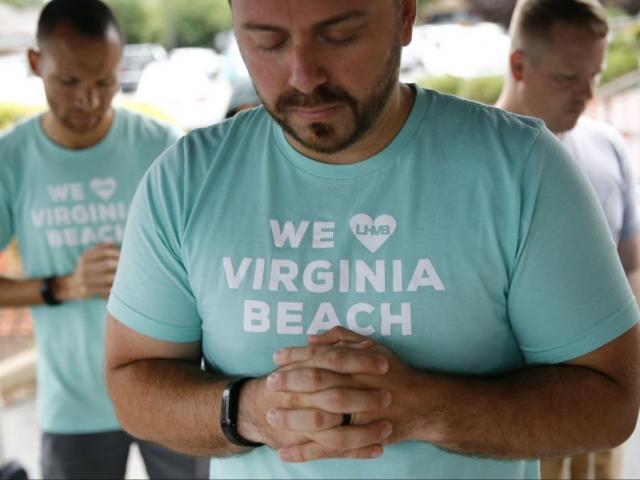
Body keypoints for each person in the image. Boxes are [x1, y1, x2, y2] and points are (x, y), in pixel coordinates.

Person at [104, 1, 640, 479]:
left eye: (339, 35)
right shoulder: (187, 179)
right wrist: (252, 410)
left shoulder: (521, 168)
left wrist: (425, 409)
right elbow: (132, 384)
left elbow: (612, 402)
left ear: (404, 15)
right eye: (267, 40)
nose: (304, 76)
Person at [0, 0, 206, 478]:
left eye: (105, 82)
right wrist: (60, 286)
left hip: (173, 390)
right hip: (74, 408)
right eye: (69, 82)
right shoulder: (12, 158)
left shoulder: (163, 146)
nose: (89, 100)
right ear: (37, 64)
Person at [496, 0, 640, 477]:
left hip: (601, 415)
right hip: (511, 418)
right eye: (567, 77)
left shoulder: (607, 148)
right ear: (519, 65)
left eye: (595, 75)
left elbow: (631, 268)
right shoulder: (468, 162)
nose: (587, 94)